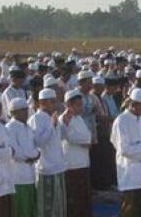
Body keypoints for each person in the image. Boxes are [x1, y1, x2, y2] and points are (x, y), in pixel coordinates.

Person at [110, 88, 141, 217]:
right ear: (134, 105)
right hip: (130, 174)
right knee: (131, 210)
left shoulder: (140, 120)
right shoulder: (122, 120)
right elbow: (124, 149)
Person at [29, 88, 68, 217]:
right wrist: (52, 125)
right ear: (42, 103)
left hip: (58, 166)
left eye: (55, 101)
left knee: (58, 206)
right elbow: (39, 142)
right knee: (47, 207)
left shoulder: (52, 117)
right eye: (52, 101)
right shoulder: (36, 118)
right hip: (45, 169)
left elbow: (59, 138)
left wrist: (63, 123)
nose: (55, 104)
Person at [59, 89, 92, 217]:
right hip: (72, 164)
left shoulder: (79, 118)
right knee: (75, 199)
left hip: (83, 162)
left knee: (84, 197)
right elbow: (69, 136)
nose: (80, 107)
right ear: (69, 105)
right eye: (77, 104)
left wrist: (86, 140)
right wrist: (85, 141)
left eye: (81, 104)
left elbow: (88, 135)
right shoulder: (64, 118)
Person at [7, 97, 40, 217]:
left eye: (26, 109)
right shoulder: (10, 128)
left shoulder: (27, 127)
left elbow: (37, 148)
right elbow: (16, 153)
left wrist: (33, 155)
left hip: (31, 174)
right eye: (22, 110)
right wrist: (32, 155)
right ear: (13, 112)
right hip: (18, 177)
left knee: (31, 208)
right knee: (21, 209)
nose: (25, 112)